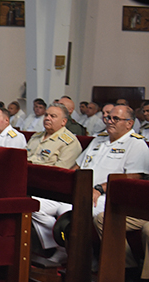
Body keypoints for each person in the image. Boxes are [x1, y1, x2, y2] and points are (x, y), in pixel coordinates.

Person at [84, 106, 149, 273]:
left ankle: (125, 269)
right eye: (108, 117)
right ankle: (80, 258)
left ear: (129, 124)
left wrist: (99, 188)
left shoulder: (136, 144)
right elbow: (77, 165)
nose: (109, 121)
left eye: (115, 119)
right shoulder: (99, 139)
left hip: (112, 196)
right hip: (84, 190)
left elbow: (134, 177)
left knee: (87, 210)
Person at [26, 104, 82, 265]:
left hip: (54, 192)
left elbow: (59, 174)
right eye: (47, 115)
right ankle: (54, 243)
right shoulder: (36, 137)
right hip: (32, 186)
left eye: (53, 116)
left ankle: (61, 246)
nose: (47, 118)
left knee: (30, 205)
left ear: (64, 121)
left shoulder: (69, 142)